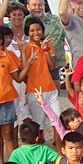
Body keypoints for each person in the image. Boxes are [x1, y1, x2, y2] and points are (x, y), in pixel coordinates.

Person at [0, 26, 35, 164]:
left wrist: (29, 63)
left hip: (6, 101)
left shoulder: (7, 56)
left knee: (9, 135)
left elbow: (18, 77)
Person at [23, 17, 62, 147]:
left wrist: (45, 49)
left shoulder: (48, 45)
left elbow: (52, 66)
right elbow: (24, 70)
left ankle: (59, 152)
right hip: (34, 91)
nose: (36, 33)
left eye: (38, 30)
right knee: (38, 127)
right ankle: (39, 155)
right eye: (32, 30)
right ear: (27, 32)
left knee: (57, 121)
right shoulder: (26, 47)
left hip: (50, 89)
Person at [25, 0, 67, 94]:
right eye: (34, 5)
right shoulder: (23, 21)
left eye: (40, 5)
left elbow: (66, 18)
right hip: (33, 68)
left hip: (53, 65)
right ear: (28, 7)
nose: (37, 8)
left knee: (54, 98)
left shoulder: (56, 21)